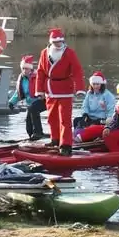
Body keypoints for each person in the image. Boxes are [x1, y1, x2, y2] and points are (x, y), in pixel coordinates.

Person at [34, 28, 85, 156]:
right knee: (51, 118)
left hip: (65, 90)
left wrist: (79, 88)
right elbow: (40, 72)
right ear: (51, 42)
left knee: (65, 119)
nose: (58, 44)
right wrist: (39, 90)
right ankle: (55, 139)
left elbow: (77, 71)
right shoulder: (44, 53)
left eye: (60, 41)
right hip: (50, 89)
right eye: (56, 42)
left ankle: (66, 145)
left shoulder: (69, 53)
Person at [9, 55, 45, 141]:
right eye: (23, 68)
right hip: (31, 104)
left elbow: (45, 86)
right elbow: (18, 93)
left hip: (43, 100)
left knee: (33, 108)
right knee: (28, 125)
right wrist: (11, 102)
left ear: (31, 69)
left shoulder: (37, 76)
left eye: (27, 68)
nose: (25, 71)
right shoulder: (22, 79)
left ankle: (38, 133)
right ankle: (32, 138)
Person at [76, 71, 116, 143]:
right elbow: (85, 105)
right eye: (93, 84)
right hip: (90, 118)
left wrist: (109, 119)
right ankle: (76, 136)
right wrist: (85, 114)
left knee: (93, 126)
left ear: (102, 84)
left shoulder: (108, 95)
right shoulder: (89, 93)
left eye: (97, 84)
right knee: (76, 121)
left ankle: (84, 138)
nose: (95, 86)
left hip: (102, 119)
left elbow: (111, 110)